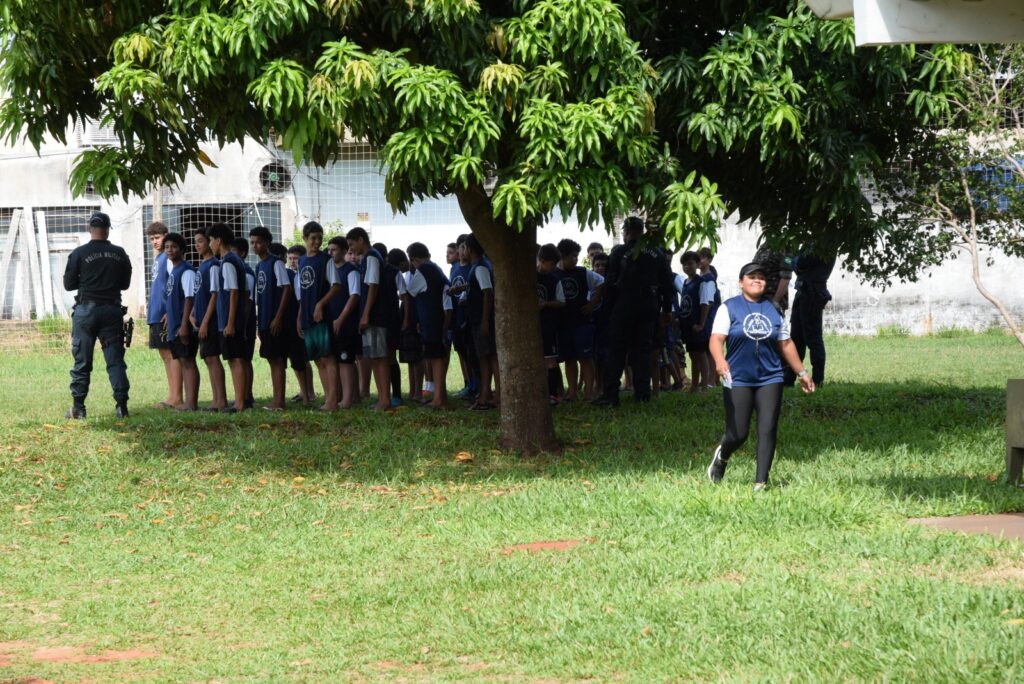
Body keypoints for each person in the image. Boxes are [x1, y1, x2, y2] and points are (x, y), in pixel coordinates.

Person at [707, 263, 815, 491]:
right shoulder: (729, 308)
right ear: (741, 282)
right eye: (751, 276)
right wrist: (719, 360)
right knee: (738, 433)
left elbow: (785, 343)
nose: (757, 280)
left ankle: (760, 483)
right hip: (737, 377)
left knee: (767, 428)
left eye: (761, 278)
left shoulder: (773, 309)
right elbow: (716, 339)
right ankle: (722, 456)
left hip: (770, 377)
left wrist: (802, 373)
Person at [592, 217, 674, 406]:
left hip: (623, 305)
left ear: (627, 231)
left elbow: (611, 283)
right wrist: (667, 309)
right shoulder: (657, 253)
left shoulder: (619, 252)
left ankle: (611, 395)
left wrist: (607, 311)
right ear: (642, 231)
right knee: (642, 351)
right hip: (648, 306)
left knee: (617, 350)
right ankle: (642, 395)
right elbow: (667, 284)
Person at [62, 212, 132, 419]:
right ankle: (121, 407)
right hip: (112, 310)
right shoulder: (120, 253)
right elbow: (125, 284)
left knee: (82, 360)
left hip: (86, 311)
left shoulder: (78, 253)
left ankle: (79, 408)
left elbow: (68, 285)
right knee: (115, 360)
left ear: (89, 229)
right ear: (108, 229)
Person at [295, 221, 341, 411]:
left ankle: (333, 400)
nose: (317, 242)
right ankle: (328, 398)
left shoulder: (325, 260)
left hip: (321, 317)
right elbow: (302, 292)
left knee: (328, 357)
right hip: (306, 317)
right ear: (305, 238)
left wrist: (321, 304)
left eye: (319, 238)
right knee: (318, 359)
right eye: (313, 238)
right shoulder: (302, 261)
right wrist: (299, 316)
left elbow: (337, 285)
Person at [347, 227, 394, 411]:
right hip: (371, 316)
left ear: (361, 240)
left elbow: (373, 286)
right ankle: (382, 398)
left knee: (379, 358)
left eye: (352, 244)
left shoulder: (372, 257)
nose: (351, 249)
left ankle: (385, 400)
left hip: (376, 317)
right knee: (374, 358)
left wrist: (366, 314)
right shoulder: (367, 258)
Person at [208, 223, 251, 413]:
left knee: (236, 360)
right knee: (235, 359)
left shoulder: (228, 262)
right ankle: (239, 401)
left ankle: (240, 403)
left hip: (230, 320)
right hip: (231, 319)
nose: (210, 245)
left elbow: (234, 292)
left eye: (210, 240)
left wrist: (231, 322)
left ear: (218, 240)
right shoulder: (233, 260)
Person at [555, 239, 604, 401]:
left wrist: (592, 304)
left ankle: (589, 392)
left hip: (582, 323)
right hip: (562, 324)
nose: (576, 260)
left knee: (585, 358)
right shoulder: (553, 273)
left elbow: (601, 283)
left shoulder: (583, 272)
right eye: (573, 257)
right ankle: (572, 392)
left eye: (577, 256)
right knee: (569, 359)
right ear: (562, 256)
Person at [251, 228, 294, 410]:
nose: (255, 245)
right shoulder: (259, 266)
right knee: (271, 359)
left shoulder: (276, 263)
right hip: (265, 319)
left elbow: (286, 288)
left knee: (277, 360)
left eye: (258, 242)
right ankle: (277, 399)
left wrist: (278, 317)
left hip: (275, 320)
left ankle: (279, 401)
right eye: (252, 242)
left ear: (267, 243)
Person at [406, 242, 452, 409]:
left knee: (436, 358)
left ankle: (438, 399)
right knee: (436, 356)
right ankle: (441, 396)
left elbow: (409, 291)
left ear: (414, 258)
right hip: (437, 319)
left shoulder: (424, 270)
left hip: (431, 320)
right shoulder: (436, 268)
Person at [784, 249, 836, 387]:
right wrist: (792, 261)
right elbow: (795, 263)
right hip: (804, 292)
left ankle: (818, 380)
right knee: (796, 338)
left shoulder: (821, 244)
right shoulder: (812, 242)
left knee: (813, 340)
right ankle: (788, 378)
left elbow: (798, 263)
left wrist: (791, 260)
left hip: (812, 294)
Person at [145, 221, 182, 409]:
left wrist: (170, 310)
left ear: (166, 236)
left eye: (157, 237)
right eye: (151, 239)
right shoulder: (159, 259)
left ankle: (176, 397)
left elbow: (174, 283)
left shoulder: (167, 259)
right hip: (155, 315)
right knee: (164, 354)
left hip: (164, 314)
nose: (154, 242)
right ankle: (172, 395)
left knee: (171, 354)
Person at [161, 233, 200, 411]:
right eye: (167, 247)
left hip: (183, 327)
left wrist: (184, 325)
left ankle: (191, 403)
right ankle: (186, 402)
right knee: (183, 362)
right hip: (174, 325)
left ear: (182, 250)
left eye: (174, 246)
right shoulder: (173, 271)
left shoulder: (187, 271)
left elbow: (190, 299)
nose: (170, 250)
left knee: (189, 362)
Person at [191, 227, 228, 411]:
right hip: (200, 321)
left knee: (213, 358)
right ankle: (216, 399)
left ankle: (221, 400)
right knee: (207, 359)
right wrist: (192, 315)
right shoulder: (202, 266)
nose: (197, 244)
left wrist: (205, 321)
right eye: (196, 241)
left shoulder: (213, 265)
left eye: (201, 241)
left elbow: (214, 295)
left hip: (211, 322)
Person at [464, 234, 499, 410]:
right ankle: (485, 393)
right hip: (477, 319)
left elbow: (487, 292)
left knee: (491, 356)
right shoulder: (476, 267)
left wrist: (485, 320)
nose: (461, 251)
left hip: (482, 319)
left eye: (463, 247)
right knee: (483, 357)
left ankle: (497, 395)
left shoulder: (481, 267)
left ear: (469, 249)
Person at [327, 237, 363, 408]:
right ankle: (352, 396)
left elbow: (354, 296)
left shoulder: (351, 271)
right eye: (329, 250)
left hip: (347, 323)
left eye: (333, 249)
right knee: (341, 359)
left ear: (343, 250)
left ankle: (348, 399)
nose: (330, 253)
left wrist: (341, 318)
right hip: (333, 322)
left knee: (346, 360)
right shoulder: (331, 271)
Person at [281, 243, 315, 404]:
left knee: (303, 359)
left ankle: (309, 392)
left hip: (301, 321)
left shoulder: (303, 275)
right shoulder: (291, 275)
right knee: (298, 358)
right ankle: (304, 391)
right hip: (294, 322)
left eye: (296, 258)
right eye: (290, 258)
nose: (293, 261)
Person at [536, 244, 566, 403]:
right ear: (542, 260)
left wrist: (546, 304)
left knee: (551, 361)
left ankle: (552, 394)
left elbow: (562, 302)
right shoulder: (528, 275)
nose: (554, 267)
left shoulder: (554, 279)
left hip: (548, 326)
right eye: (552, 264)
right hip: (532, 327)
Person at [230, 237, 257, 409]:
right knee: (242, 359)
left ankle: (247, 395)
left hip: (245, 320)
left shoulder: (245, 272)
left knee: (245, 359)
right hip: (241, 320)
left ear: (242, 253)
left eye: (234, 251)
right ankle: (245, 395)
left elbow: (248, 300)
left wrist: (246, 326)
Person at [752, 244, 793, 314]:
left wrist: (775, 301)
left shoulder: (785, 248)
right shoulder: (764, 246)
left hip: (772, 300)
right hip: (758, 300)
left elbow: (785, 278)